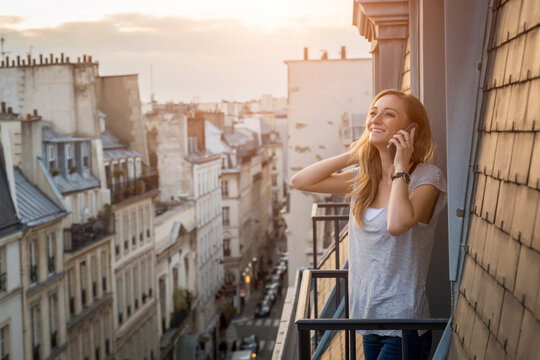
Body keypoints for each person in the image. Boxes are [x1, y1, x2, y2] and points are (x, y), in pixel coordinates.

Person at [291, 89, 447, 360]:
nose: (376, 119)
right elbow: (301, 181)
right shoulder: (364, 177)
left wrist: (400, 166)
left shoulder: (427, 178)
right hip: (365, 320)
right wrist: (356, 153)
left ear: (411, 129)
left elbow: (396, 224)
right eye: (373, 112)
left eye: (389, 114)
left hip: (404, 326)